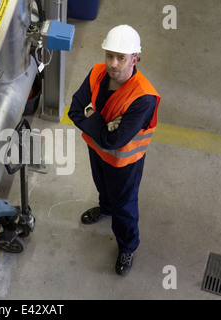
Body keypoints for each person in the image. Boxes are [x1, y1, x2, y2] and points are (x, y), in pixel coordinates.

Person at [68, 25, 161, 276]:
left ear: (135, 59)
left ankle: (127, 245)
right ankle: (105, 208)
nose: (114, 64)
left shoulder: (144, 97)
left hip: (125, 163)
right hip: (96, 151)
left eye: (121, 58)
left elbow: (115, 141)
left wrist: (92, 115)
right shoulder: (97, 72)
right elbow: (74, 111)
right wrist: (100, 124)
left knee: (125, 206)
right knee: (102, 187)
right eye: (110, 56)